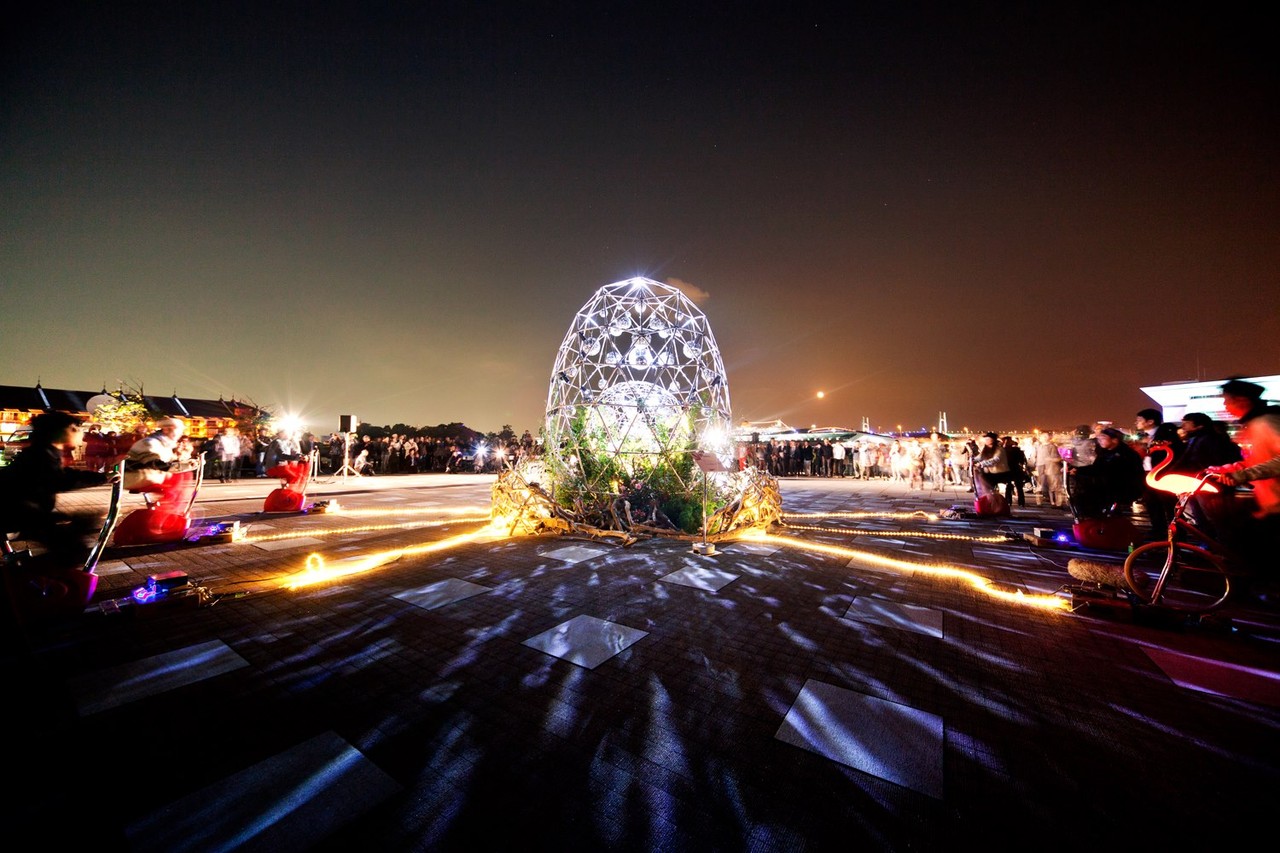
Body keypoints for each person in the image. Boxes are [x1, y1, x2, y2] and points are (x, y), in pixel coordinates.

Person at [0, 412, 117, 568]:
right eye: (74, 429)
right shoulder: (40, 454)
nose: (80, 433)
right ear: (59, 432)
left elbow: (60, 474)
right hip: (16, 511)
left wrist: (101, 477)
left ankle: (27, 573)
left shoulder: (43, 452)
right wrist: (102, 478)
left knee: (73, 534)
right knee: (71, 547)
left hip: (22, 510)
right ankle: (30, 575)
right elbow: (57, 479)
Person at [1203, 378, 1280, 585]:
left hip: (1276, 503)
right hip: (1270, 502)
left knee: (1253, 546)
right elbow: (1257, 460)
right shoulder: (1253, 425)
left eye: (1227, 400)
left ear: (1243, 400)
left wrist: (1241, 476)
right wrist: (1224, 470)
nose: (1224, 405)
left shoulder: (1267, 422)